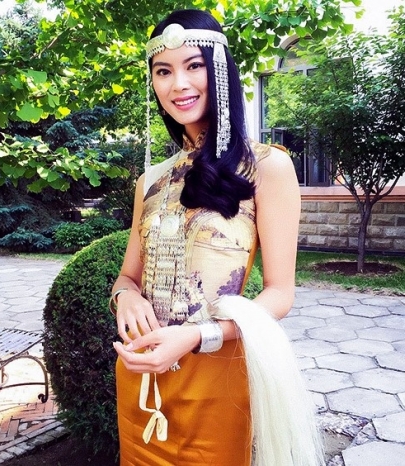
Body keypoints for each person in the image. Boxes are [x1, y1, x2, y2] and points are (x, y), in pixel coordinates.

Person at [110, 9, 322, 466]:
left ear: (220, 70)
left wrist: (195, 336)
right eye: (163, 71)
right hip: (139, 375)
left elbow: (280, 294)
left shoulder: (267, 167)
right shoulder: (150, 181)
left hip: (217, 376)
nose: (178, 84)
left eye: (193, 66)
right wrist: (124, 299)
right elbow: (128, 276)